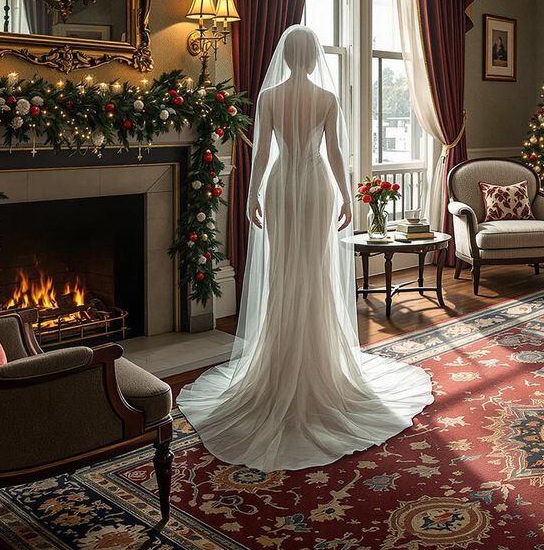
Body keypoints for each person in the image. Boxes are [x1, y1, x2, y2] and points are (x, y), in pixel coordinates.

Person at [178, 25, 433, 471]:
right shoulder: (326, 99)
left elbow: (260, 156)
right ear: (313, 58)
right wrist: (348, 195)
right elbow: (334, 152)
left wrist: (252, 195)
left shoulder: (270, 96)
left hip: (280, 186)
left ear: (286, 56)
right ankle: (317, 364)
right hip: (314, 186)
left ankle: (279, 364)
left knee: (284, 273)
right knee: (311, 272)